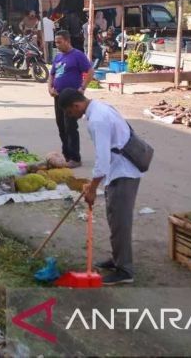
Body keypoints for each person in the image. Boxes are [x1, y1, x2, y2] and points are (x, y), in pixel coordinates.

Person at [59, 89, 141, 286]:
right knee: (114, 218)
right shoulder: (100, 108)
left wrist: (92, 188)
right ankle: (118, 259)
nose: (73, 117)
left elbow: (102, 160)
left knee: (120, 221)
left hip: (124, 172)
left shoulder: (97, 120)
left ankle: (124, 270)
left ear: (76, 105)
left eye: (70, 113)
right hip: (119, 169)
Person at [48, 30, 94, 168]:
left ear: (67, 41)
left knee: (70, 127)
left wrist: (82, 87)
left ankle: (75, 157)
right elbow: (52, 74)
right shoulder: (58, 57)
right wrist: (50, 88)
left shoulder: (78, 55)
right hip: (58, 96)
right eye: (56, 42)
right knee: (61, 126)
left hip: (71, 98)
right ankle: (67, 155)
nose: (57, 45)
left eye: (59, 42)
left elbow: (90, 71)